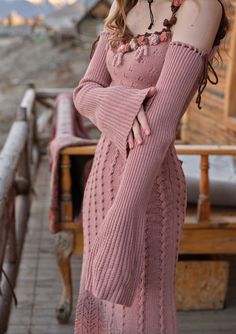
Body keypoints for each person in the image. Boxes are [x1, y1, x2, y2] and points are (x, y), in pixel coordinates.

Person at [73, 0, 229, 333]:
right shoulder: (124, 7)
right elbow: (84, 92)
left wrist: (123, 216)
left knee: (141, 317)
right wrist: (117, 101)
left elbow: (159, 126)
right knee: (98, 313)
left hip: (146, 187)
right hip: (102, 178)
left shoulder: (200, 8)